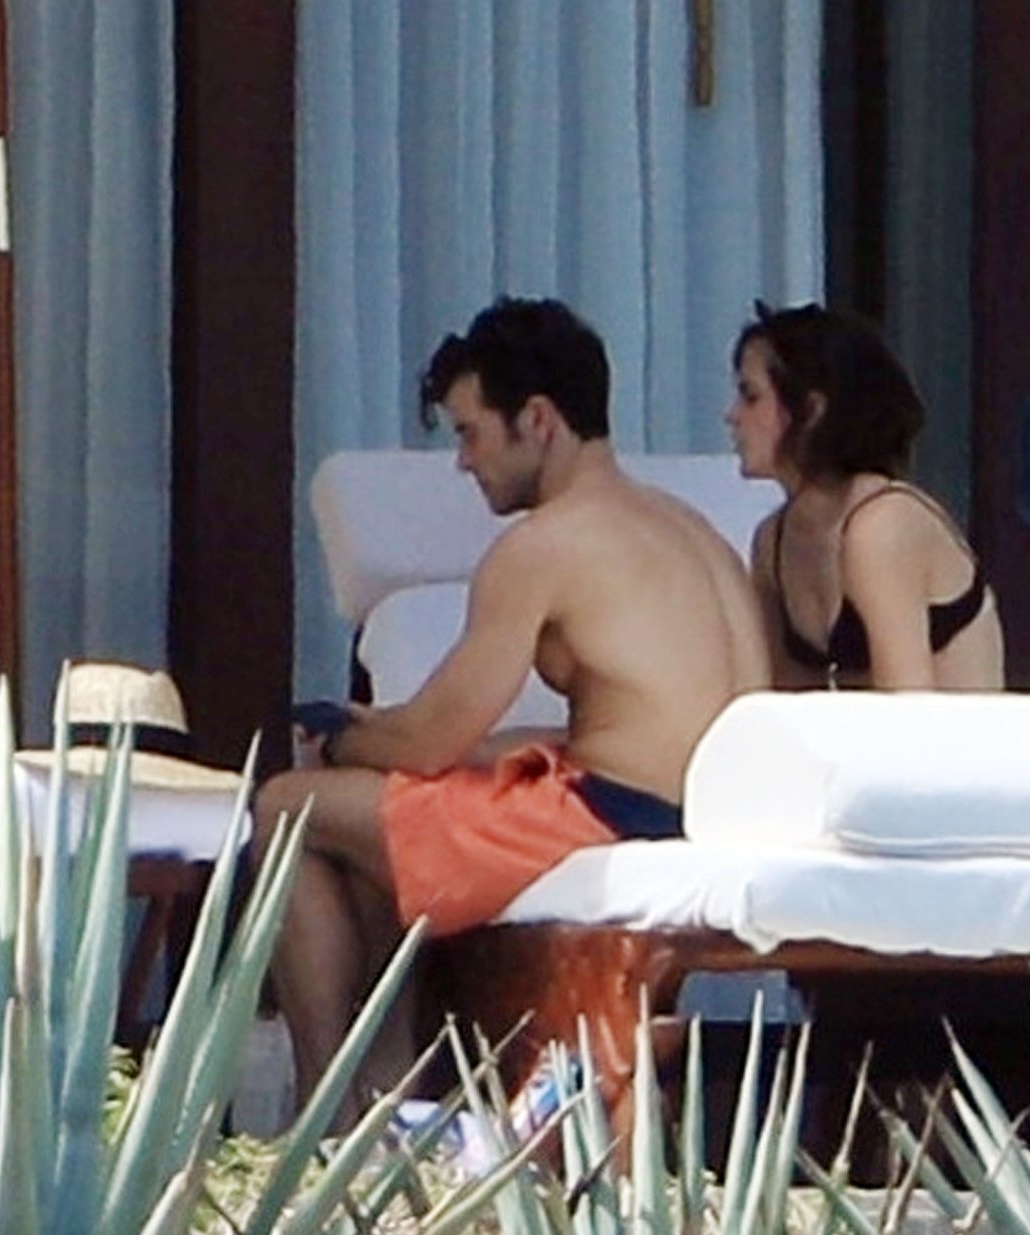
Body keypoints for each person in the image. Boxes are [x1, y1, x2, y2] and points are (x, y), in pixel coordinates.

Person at [259, 297, 770, 1111]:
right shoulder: (690, 529)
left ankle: (328, 1114)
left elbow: (429, 738)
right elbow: (641, 718)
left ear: (536, 420)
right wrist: (418, 747)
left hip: (613, 816)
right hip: (705, 812)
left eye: (470, 433)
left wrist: (343, 742)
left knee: (290, 807)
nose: (464, 463)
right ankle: (390, 1089)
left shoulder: (542, 546)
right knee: (378, 819)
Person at [727, 303, 1005, 692]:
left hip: (952, 731)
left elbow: (908, 701)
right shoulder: (772, 542)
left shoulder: (881, 524)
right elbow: (787, 695)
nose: (732, 416)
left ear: (812, 410)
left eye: (751, 396)